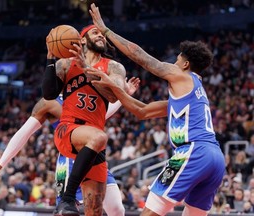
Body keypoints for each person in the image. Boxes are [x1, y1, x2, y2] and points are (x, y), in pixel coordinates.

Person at [88, 3, 225, 216]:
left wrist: (106, 30)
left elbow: (141, 57)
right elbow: (142, 111)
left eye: (178, 58)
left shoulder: (181, 75)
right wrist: (114, 86)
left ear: (186, 63)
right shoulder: (192, 95)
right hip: (215, 158)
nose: (173, 60)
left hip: (194, 152)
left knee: (151, 212)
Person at [0, 78, 139, 215]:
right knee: (67, 211)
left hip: (95, 158)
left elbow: (102, 115)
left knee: (118, 210)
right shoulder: (50, 103)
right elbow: (24, 133)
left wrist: (123, 96)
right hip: (69, 160)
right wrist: (1, 163)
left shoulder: (87, 94)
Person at [42, 24, 128, 215]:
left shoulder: (114, 67)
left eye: (102, 34)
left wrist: (87, 68)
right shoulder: (65, 64)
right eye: (95, 33)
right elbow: (48, 94)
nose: (101, 36)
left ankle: (68, 201)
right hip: (69, 128)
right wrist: (50, 57)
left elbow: (115, 95)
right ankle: (67, 198)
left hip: (94, 139)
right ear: (81, 40)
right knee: (99, 137)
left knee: (95, 209)